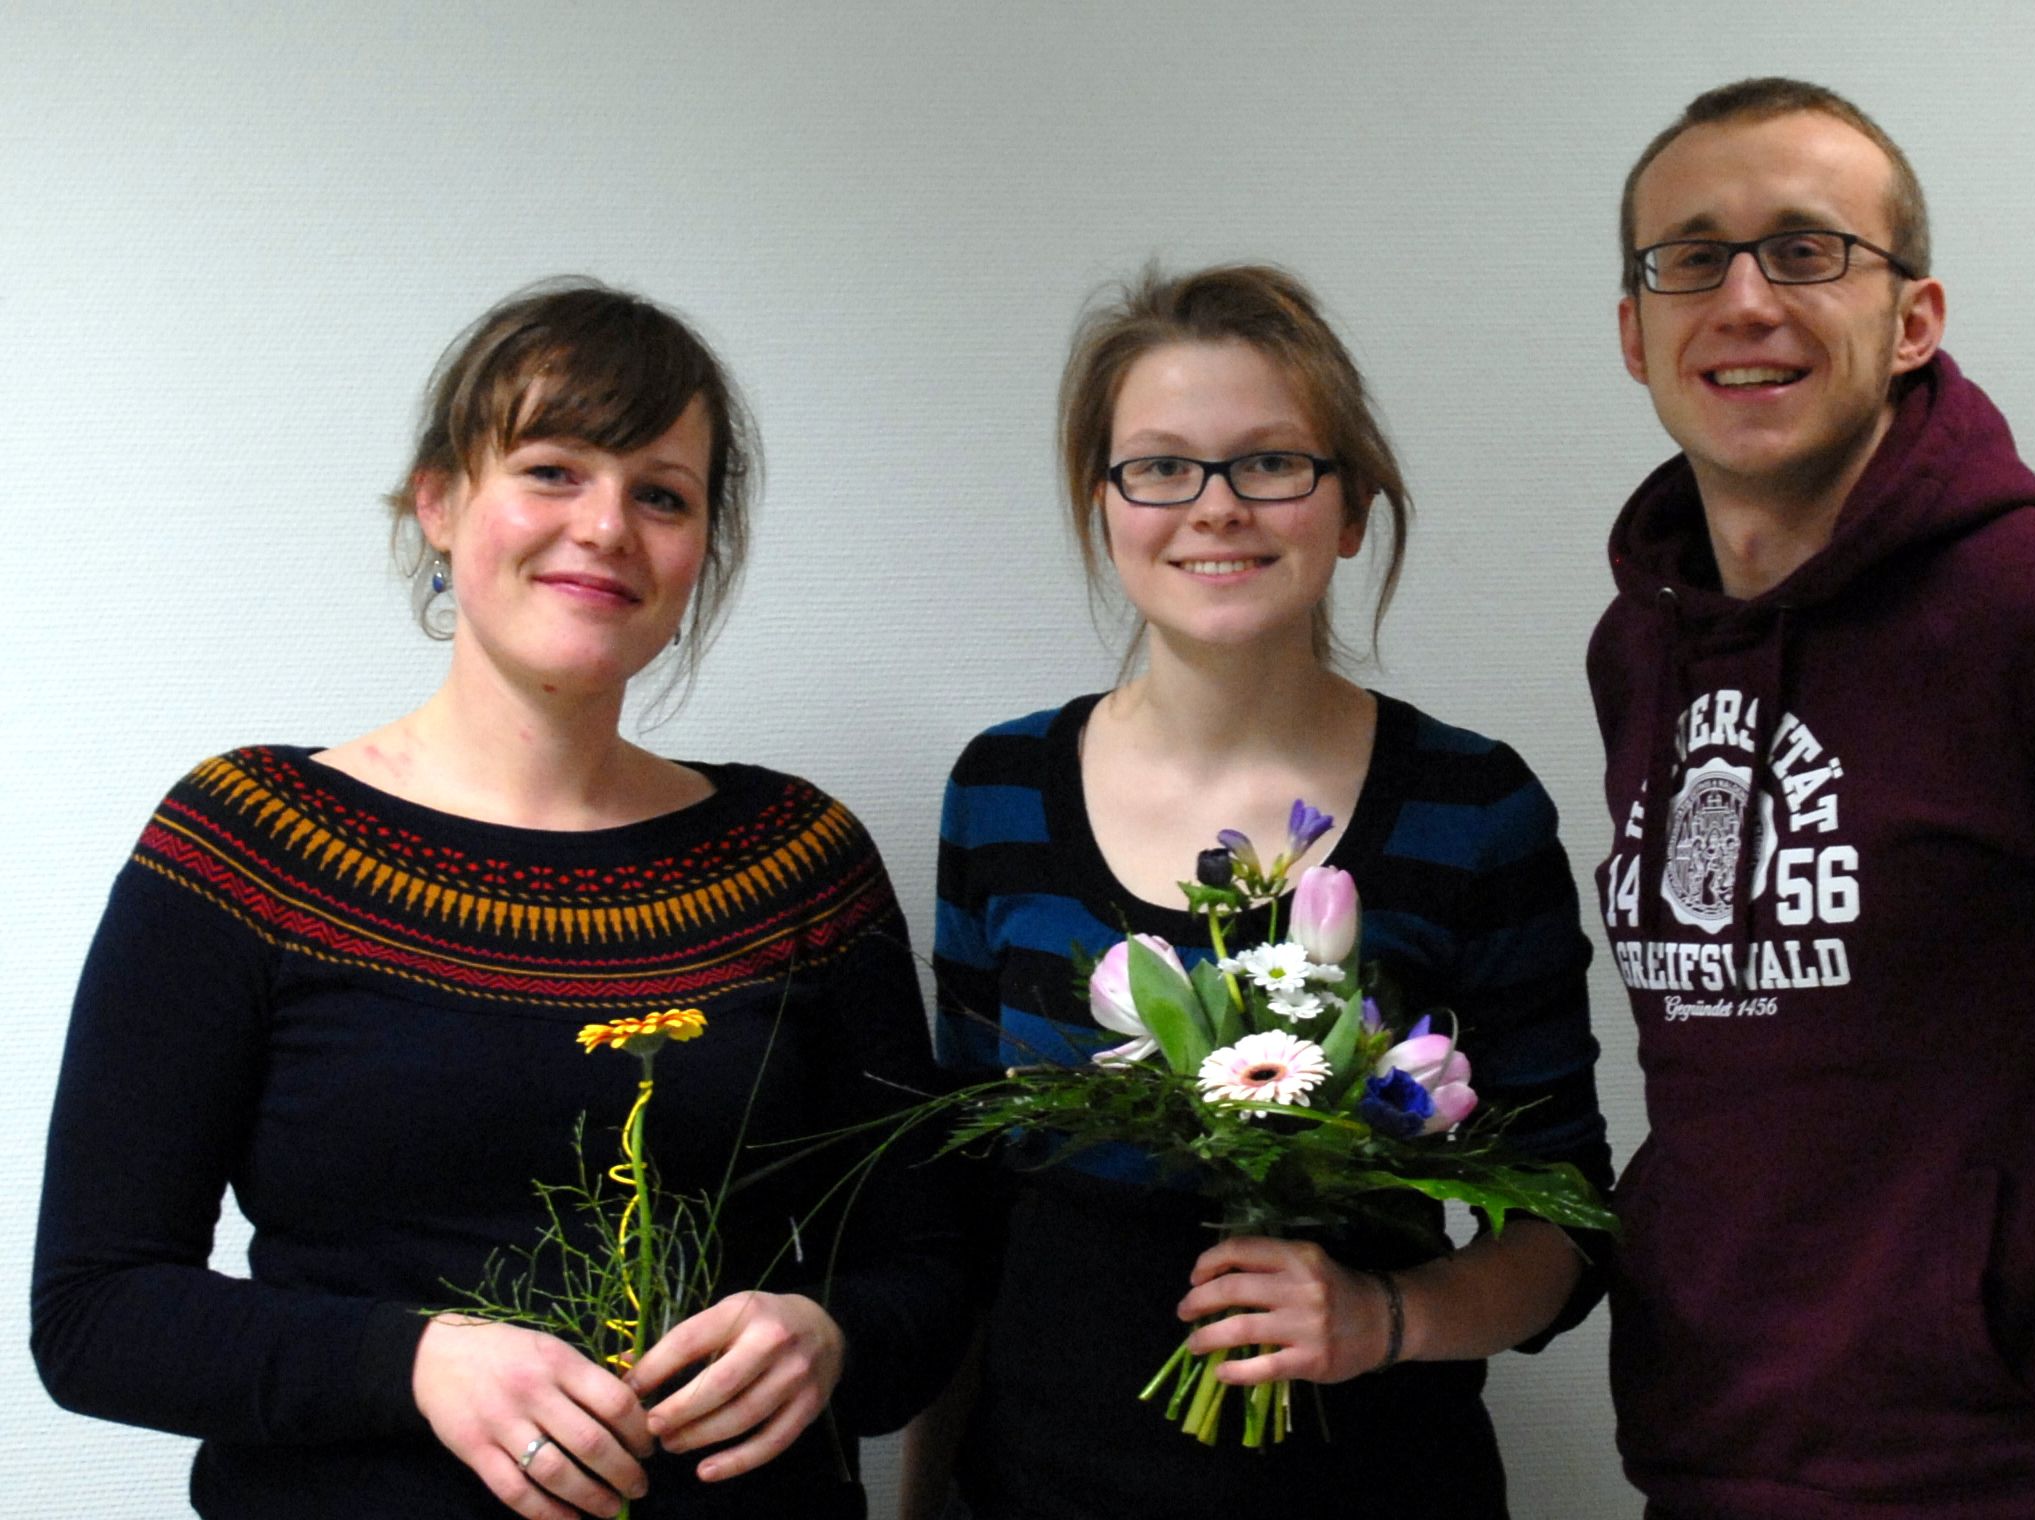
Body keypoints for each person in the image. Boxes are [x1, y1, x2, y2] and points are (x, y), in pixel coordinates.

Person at [32, 281, 967, 1520]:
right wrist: (417, 1361)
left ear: (699, 549)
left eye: (662, 493)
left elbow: (934, 1273)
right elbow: (96, 1310)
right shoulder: (246, 842)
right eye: (551, 469)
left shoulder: (796, 857)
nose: (606, 526)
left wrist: (829, 1336)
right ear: (437, 500)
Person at [910, 264, 1612, 1520]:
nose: (1215, 507)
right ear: (1103, 506)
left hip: (1377, 1487)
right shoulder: (1001, 790)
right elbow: (963, 1212)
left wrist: (1385, 1316)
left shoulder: (1474, 804)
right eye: (1161, 465)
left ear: (1348, 509)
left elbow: (1566, 1223)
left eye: (1271, 462)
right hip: (1039, 1484)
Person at [1593, 77, 2035, 1518]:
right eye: (1690, 256)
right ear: (1634, 331)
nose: (1743, 299)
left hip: (2032, 1466)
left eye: (1807, 250)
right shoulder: (1641, 648)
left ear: (1914, 318)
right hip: (1715, 1448)